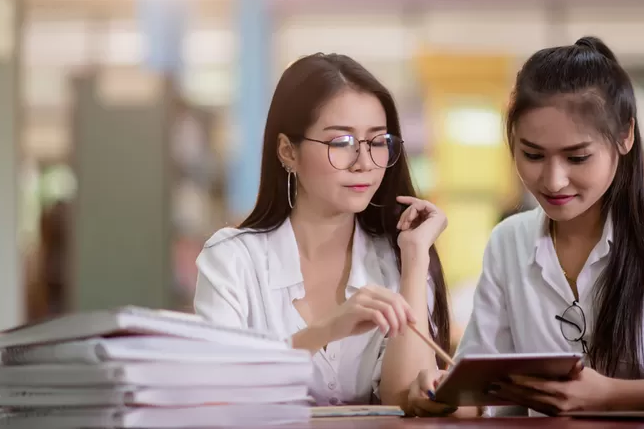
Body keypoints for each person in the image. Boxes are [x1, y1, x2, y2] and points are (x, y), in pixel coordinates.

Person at [405, 36, 644, 417]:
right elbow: (480, 396)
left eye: (577, 157)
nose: (553, 181)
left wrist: (614, 395)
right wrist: (437, 394)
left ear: (625, 136)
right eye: (532, 155)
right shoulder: (510, 240)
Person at [193, 53, 451, 407]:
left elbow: (404, 398)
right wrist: (325, 330)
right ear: (288, 152)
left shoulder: (400, 258)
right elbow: (214, 391)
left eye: (377, 142)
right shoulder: (233, 259)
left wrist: (416, 257)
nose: (364, 164)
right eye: (341, 143)